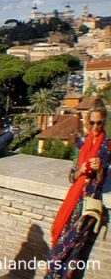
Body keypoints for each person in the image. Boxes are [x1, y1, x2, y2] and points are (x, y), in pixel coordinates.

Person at [48, 107, 111, 279]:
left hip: (88, 202)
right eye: (92, 123)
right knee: (60, 243)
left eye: (99, 123)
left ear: (104, 121)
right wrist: (81, 170)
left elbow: (101, 180)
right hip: (74, 199)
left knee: (74, 247)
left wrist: (99, 170)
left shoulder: (107, 146)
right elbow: (72, 176)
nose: (96, 127)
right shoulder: (81, 143)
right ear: (87, 122)